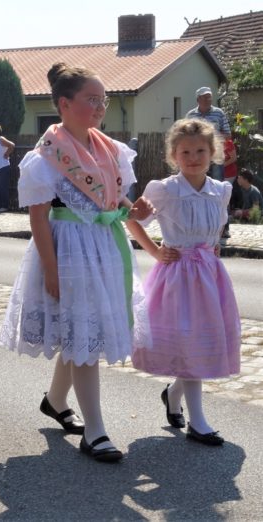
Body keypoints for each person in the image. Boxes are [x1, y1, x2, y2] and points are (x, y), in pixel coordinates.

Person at [0, 63, 153, 462]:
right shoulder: (46, 155)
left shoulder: (109, 150)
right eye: (91, 100)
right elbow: (37, 217)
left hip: (103, 246)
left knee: (81, 331)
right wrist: (51, 269)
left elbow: (115, 203)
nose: (100, 107)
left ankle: (55, 400)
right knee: (83, 333)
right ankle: (96, 431)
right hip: (68, 250)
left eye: (103, 100)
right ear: (64, 104)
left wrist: (135, 211)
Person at [127, 118, 241, 446]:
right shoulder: (164, 189)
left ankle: (174, 394)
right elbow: (133, 221)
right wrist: (155, 251)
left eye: (200, 150)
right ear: (174, 155)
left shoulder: (221, 191)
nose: (193, 157)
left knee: (197, 345)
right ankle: (199, 421)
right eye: (185, 151)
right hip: (176, 277)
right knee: (188, 343)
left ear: (213, 153)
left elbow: (215, 235)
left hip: (209, 277)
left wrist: (212, 256)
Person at [186, 87, 231, 181]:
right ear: (198, 99)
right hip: (197, 156)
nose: (208, 100)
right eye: (205, 97)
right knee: (197, 181)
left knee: (217, 182)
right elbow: (186, 136)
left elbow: (228, 134)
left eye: (209, 97)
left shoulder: (219, 113)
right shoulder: (190, 115)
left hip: (216, 153)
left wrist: (212, 139)